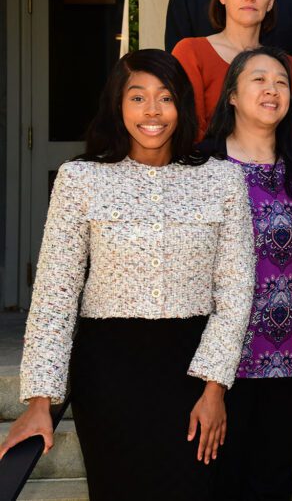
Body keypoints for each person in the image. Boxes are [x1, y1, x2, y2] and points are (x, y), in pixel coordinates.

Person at [0, 50, 254, 500]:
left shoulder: (222, 181)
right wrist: (40, 400)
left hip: (192, 370)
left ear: (183, 106)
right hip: (108, 371)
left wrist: (215, 388)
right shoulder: (80, 179)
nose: (152, 112)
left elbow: (234, 292)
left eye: (165, 98)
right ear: (118, 105)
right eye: (138, 98)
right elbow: (55, 294)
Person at [201, 48, 292, 501]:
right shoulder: (202, 169)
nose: (272, 89)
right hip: (223, 361)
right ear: (231, 95)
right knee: (221, 483)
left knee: (273, 483)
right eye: (259, 80)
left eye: (282, 82)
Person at [171, 0, 292, 142]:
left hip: (276, 170)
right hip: (204, 168)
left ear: (270, 1)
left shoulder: (291, 68)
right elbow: (189, 132)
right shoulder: (192, 53)